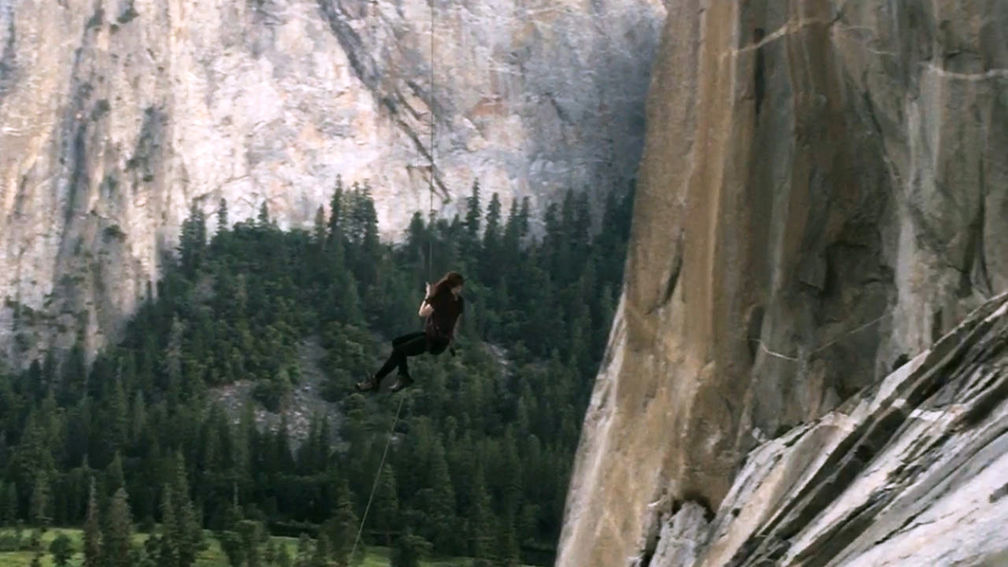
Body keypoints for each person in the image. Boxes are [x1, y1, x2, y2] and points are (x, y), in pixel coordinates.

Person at [356, 271, 465, 392]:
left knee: (399, 350)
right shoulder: (459, 302)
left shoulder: (442, 298)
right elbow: (456, 322)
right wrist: (452, 339)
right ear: (457, 287)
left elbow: (422, 313)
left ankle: (391, 379)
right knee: (397, 343)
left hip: (433, 339)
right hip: (438, 340)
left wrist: (428, 295)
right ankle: (392, 378)